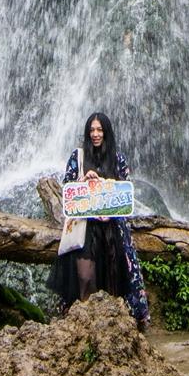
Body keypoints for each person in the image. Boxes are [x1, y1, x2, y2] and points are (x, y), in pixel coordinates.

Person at [47, 111, 150, 330]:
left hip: (112, 229)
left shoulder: (117, 159)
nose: (95, 134)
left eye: (99, 130)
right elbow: (67, 189)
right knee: (84, 276)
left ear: (106, 132)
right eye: (92, 130)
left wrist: (104, 184)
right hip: (86, 228)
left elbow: (124, 191)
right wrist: (83, 181)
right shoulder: (78, 157)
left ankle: (113, 328)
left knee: (113, 278)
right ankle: (83, 325)